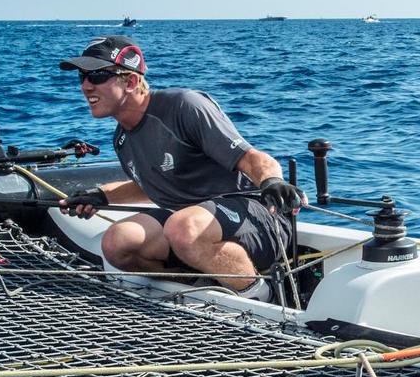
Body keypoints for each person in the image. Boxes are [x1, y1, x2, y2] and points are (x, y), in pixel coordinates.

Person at [58, 35, 303, 300]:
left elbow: (253, 158)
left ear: (129, 81)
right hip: (189, 226)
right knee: (118, 242)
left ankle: (261, 297)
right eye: (81, 77)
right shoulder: (122, 138)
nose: (85, 86)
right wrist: (100, 196)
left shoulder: (185, 106)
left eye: (96, 76)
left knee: (182, 227)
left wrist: (272, 182)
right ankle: (197, 286)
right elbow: (149, 184)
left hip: (257, 220)